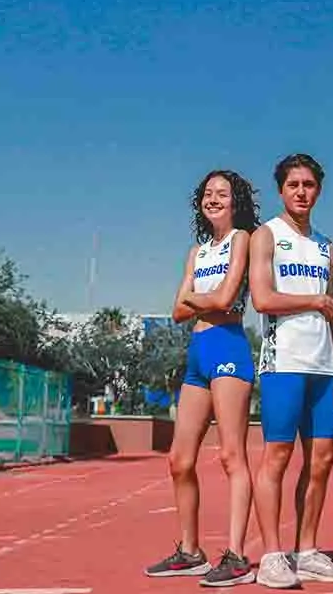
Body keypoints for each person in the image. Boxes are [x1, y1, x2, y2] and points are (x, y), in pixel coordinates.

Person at [144, 169, 261, 587]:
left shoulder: (243, 240)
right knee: (179, 461)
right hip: (197, 355)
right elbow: (177, 311)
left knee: (232, 457)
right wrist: (203, 302)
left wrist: (195, 299)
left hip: (229, 351)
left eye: (222, 194)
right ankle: (191, 551)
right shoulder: (197, 252)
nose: (213, 199)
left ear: (236, 202)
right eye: (208, 193)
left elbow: (228, 298)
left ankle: (236, 556)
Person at [249, 153, 333, 588]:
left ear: (318, 190)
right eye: (293, 184)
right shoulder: (266, 236)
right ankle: (272, 556)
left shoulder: (327, 247)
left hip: (322, 368)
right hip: (283, 364)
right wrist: (312, 301)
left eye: (309, 184)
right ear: (281, 190)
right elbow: (262, 299)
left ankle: (307, 550)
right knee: (277, 456)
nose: (301, 191)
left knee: (322, 460)